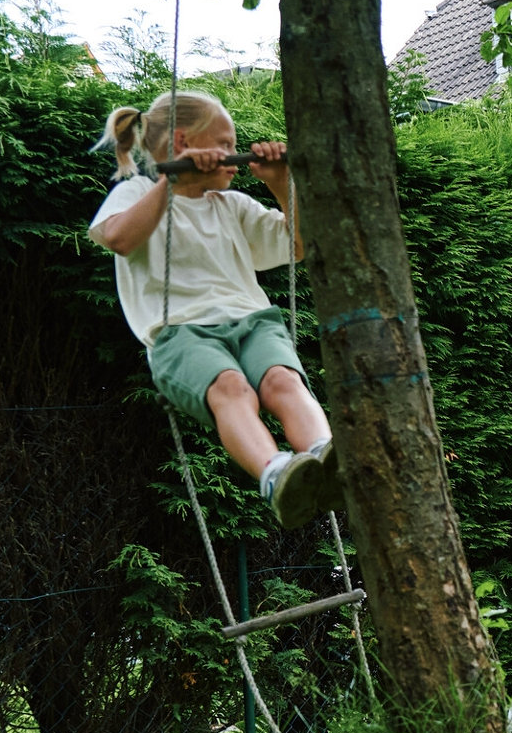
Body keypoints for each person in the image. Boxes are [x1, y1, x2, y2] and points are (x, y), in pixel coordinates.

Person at [90, 91, 340, 529]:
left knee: (282, 380)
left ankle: (326, 454)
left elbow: (297, 246)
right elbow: (119, 239)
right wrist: (172, 182)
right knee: (233, 389)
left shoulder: (233, 206)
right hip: (181, 334)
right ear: (185, 144)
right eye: (224, 144)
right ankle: (276, 474)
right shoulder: (138, 191)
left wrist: (280, 182)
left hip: (253, 322)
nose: (234, 155)